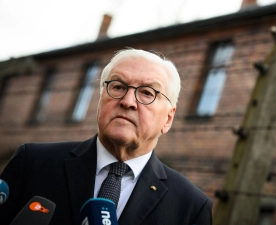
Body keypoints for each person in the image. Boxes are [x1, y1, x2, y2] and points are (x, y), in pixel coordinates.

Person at [0, 48, 212, 225]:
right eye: (118, 87)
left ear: (168, 118)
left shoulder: (191, 206)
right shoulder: (33, 162)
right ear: (101, 99)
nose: (128, 101)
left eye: (147, 93)